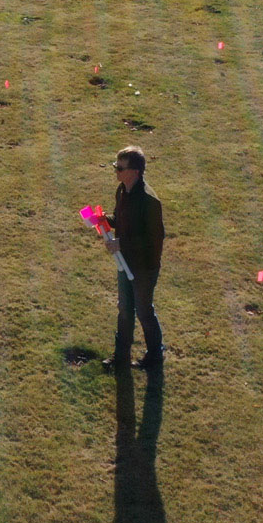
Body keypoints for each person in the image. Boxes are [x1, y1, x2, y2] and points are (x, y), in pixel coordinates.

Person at [100, 145, 165, 369]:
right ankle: (121, 357)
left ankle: (155, 356)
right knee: (125, 309)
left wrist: (122, 244)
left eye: (120, 168)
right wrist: (104, 219)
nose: (116, 172)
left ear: (135, 171)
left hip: (144, 267)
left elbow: (153, 240)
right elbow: (119, 220)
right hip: (125, 262)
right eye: (115, 167)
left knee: (144, 310)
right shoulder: (122, 191)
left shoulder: (149, 201)